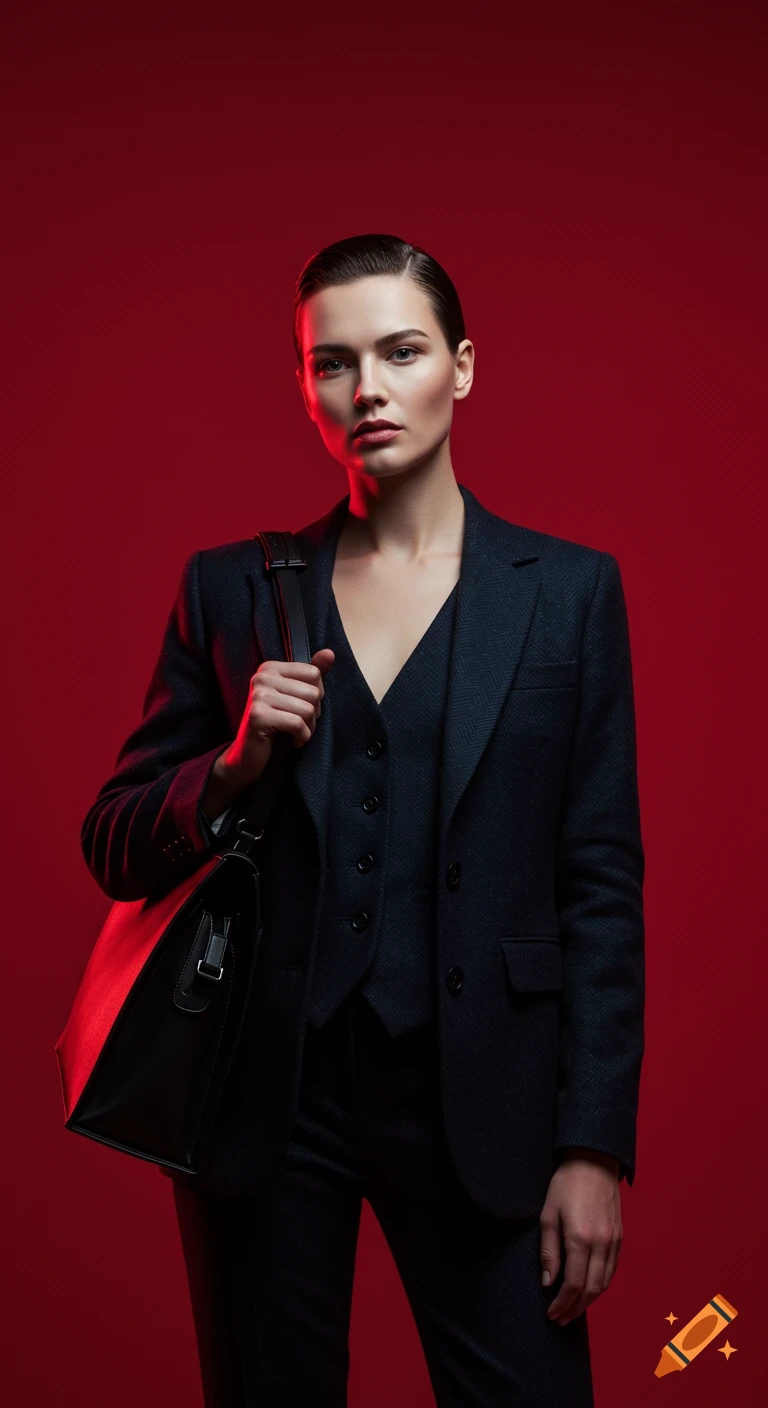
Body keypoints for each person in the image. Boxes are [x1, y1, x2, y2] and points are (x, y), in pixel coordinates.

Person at [81, 232, 645, 1406]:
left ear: (464, 365)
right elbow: (114, 841)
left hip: (484, 1100)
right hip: (268, 1101)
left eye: (400, 351)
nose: (368, 389)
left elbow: (600, 883)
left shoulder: (571, 594)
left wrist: (592, 1146)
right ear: (304, 388)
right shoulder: (233, 588)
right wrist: (230, 770)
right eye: (332, 363)